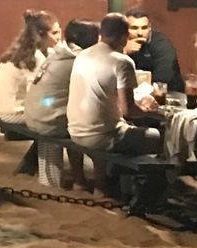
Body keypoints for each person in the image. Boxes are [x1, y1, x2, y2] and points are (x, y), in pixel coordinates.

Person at [66, 12, 160, 155]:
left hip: (75, 132)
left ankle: (112, 176)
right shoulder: (122, 62)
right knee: (157, 136)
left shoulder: (82, 55)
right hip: (103, 136)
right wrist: (148, 110)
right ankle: (140, 177)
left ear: (101, 33)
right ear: (125, 36)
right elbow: (128, 111)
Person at [24, 18, 98, 191]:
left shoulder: (59, 54)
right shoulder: (79, 60)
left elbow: (50, 97)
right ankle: (102, 183)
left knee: (74, 119)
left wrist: (53, 103)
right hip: (46, 119)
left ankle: (79, 178)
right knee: (93, 129)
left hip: (36, 112)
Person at [0, 10, 60, 128]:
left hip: (11, 110)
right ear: (41, 35)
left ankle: (40, 147)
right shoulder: (34, 58)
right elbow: (35, 96)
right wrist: (55, 100)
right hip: (15, 113)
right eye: (54, 33)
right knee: (62, 112)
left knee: (57, 105)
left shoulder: (23, 51)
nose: (59, 37)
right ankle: (46, 147)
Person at [125, 9, 186, 95]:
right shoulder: (120, 44)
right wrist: (123, 52)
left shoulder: (161, 44)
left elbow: (163, 78)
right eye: (134, 28)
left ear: (149, 28)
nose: (140, 33)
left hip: (169, 95)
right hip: (133, 95)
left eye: (144, 28)